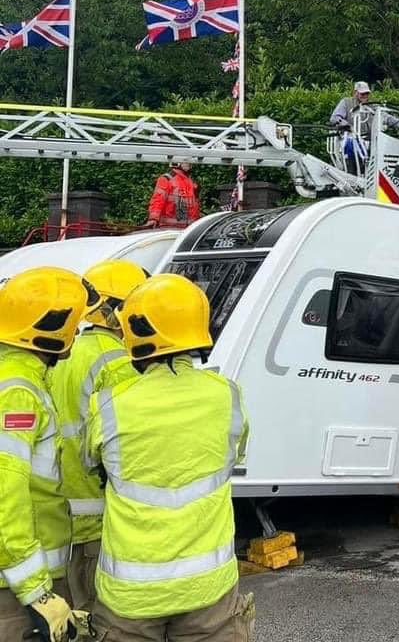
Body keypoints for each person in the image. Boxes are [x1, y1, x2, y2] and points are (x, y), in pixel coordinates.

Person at [84, 274, 253, 641]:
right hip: (209, 591)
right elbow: (234, 455)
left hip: (129, 597)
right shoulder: (229, 396)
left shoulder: (110, 404)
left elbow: (89, 463)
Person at [47, 259, 145, 611]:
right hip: (98, 518)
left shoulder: (61, 351)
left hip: (54, 512)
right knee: (96, 615)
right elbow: (129, 447)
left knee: (63, 614)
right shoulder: (118, 362)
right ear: (117, 310)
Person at [0, 266, 90, 642]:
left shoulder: (14, 377)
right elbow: (6, 493)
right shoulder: (19, 392)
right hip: (16, 588)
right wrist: (36, 591)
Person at [146, 159, 200, 228]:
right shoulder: (167, 179)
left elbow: (194, 206)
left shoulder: (191, 181)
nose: (189, 164)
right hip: (168, 228)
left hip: (188, 229)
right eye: (186, 161)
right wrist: (153, 218)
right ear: (177, 163)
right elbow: (158, 199)